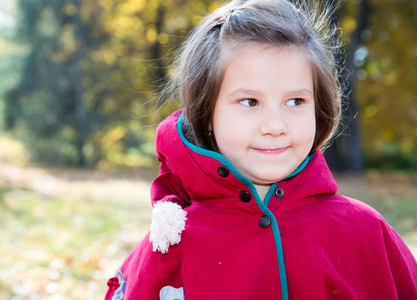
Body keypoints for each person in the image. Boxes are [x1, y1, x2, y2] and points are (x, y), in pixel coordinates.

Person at [104, 0, 417, 299]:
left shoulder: (366, 233)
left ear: (318, 107)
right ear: (207, 112)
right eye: (249, 102)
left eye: (295, 101)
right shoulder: (170, 246)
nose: (275, 125)